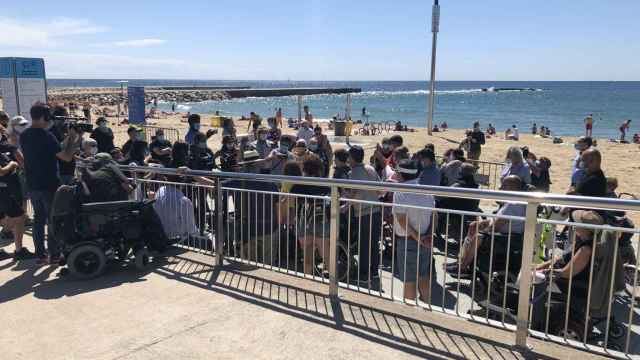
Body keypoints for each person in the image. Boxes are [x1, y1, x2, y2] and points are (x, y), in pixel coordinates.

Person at [20, 102, 78, 264]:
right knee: (53, 220)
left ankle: (40, 255)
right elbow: (66, 157)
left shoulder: (25, 135)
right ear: (44, 117)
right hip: (49, 183)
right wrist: (73, 139)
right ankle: (54, 254)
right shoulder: (47, 136)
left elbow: (50, 151)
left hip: (32, 184)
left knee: (38, 220)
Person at [446, 175, 526, 277]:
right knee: (474, 226)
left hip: (505, 239)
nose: (500, 188)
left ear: (512, 188)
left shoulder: (513, 205)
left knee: (478, 236)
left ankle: (462, 268)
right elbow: (499, 220)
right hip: (503, 234)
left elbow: (495, 227)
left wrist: (485, 228)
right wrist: (485, 222)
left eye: (503, 186)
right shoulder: (512, 202)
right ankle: (460, 261)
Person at [392, 159, 435, 302]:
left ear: (402, 175)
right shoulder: (426, 191)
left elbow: (402, 220)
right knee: (423, 275)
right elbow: (434, 215)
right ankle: (427, 305)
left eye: (397, 172)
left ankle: (409, 312)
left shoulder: (400, 192)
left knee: (409, 280)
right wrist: (428, 235)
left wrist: (418, 237)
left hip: (409, 240)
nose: (395, 174)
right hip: (425, 239)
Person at [346, 146, 383, 285]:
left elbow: (354, 193)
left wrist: (345, 206)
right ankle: (373, 271)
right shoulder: (371, 168)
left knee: (364, 244)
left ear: (352, 158)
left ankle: (363, 274)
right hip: (376, 210)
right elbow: (380, 191)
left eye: (349, 157)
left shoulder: (353, 173)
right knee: (374, 243)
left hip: (364, 212)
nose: (348, 160)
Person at [290, 157, 330, 274]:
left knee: (307, 256)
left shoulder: (299, 184)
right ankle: (334, 285)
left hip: (304, 220)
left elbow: (291, 202)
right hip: (322, 220)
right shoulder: (325, 183)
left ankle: (307, 281)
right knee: (327, 255)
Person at [0, 139, 33, 260]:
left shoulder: (5, 146)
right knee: (19, 218)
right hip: (4, 189)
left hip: (7, 188)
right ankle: (19, 251)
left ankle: (18, 249)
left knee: (7, 218)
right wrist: (13, 164)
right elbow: (1, 172)